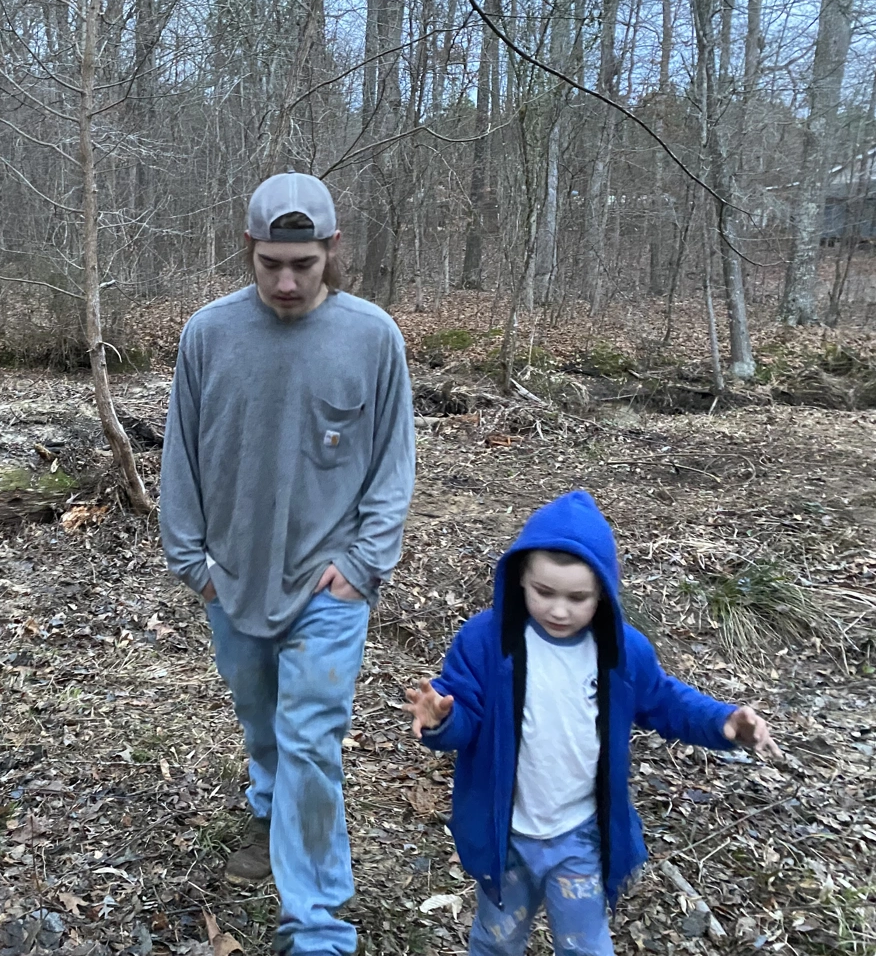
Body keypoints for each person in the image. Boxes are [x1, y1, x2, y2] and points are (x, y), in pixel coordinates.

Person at [159, 171, 416, 956]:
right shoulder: (209, 333)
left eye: (304, 263)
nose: (286, 280)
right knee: (260, 710)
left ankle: (318, 924)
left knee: (311, 735)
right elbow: (181, 456)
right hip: (230, 576)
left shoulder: (373, 337)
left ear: (333, 249)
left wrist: (363, 563)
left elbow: (393, 465)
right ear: (248, 249)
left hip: (327, 581)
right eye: (271, 262)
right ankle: (269, 795)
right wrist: (191, 561)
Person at [405, 490, 782, 956]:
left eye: (577, 597)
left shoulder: (622, 651)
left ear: (603, 590)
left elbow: (665, 700)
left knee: (584, 945)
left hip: (581, 834)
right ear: (520, 578)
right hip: (506, 837)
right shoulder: (486, 641)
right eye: (544, 592)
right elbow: (464, 713)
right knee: (496, 941)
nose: (559, 610)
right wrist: (443, 718)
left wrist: (723, 721)